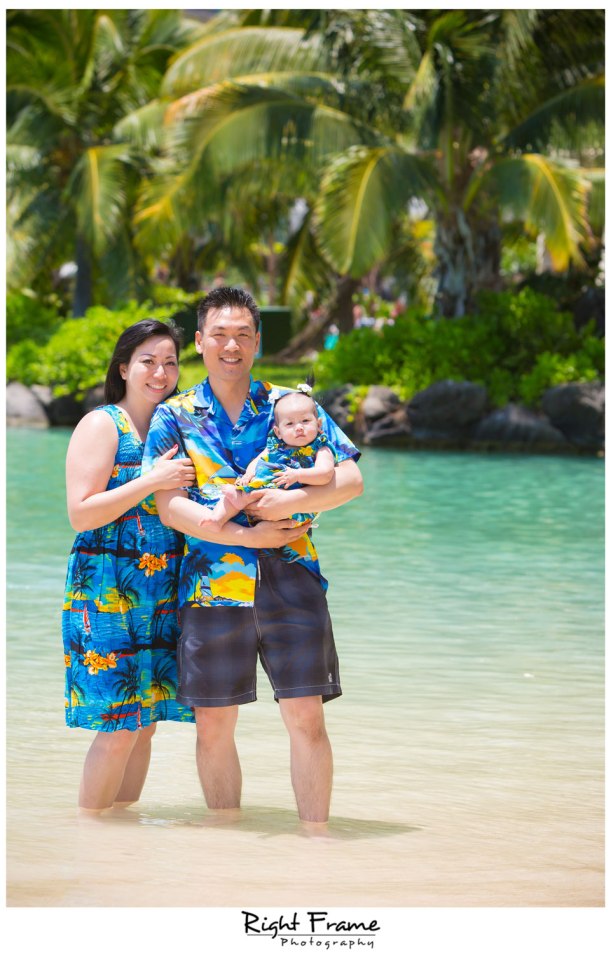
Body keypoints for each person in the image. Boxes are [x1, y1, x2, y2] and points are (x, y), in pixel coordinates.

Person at [142, 286, 363, 830]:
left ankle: (317, 844)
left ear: (258, 341)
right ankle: (226, 849)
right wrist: (250, 539)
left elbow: (351, 479)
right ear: (199, 341)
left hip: (293, 576)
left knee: (305, 718)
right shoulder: (175, 415)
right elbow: (170, 509)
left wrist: (290, 502)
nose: (231, 345)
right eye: (219, 334)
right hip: (211, 586)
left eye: (243, 333)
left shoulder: (290, 405)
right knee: (213, 726)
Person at [62, 319, 197, 813]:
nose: (160, 372)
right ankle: (88, 834)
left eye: (170, 362)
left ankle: (120, 842)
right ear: (124, 368)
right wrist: (151, 479)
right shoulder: (103, 423)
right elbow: (81, 512)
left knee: (146, 725)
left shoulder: (173, 427)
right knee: (118, 726)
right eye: (148, 361)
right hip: (104, 594)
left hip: (161, 593)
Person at [198, 385, 337, 530]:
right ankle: (217, 520)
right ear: (278, 432)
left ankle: (245, 506)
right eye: (290, 423)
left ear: (319, 424)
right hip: (261, 492)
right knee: (236, 492)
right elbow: (258, 460)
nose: (299, 427)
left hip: (292, 505)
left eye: (305, 421)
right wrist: (249, 474)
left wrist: (298, 475)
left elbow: (325, 474)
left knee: (246, 500)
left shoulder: (320, 448)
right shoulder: (274, 446)